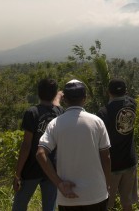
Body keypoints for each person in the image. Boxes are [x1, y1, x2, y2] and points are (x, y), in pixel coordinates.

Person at [36, 79, 111, 210]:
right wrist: (107, 183)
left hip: (67, 196)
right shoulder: (97, 122)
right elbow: (106, 157)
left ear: (64, 99)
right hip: (95, 193)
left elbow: (40, 154)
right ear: (85, 98)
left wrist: (59, 183)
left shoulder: (55, 124)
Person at [12, 78, 64, 211]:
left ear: (38, 93)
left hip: (31, 168)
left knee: (19, 205)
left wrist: (18, 174)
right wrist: (58, 96)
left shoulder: (32, 113)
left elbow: (26, 146)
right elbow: (56, 105)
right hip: (51, 168)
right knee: (49, 207)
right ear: (53, 94)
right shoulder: (59, 112)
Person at [96, 79, 138, 211]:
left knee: (105, 204)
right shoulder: (132, 104)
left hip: (111, 166)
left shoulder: (103, 113)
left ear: (108, 92)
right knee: (127, 203)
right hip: (130, 161)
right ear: (126, 91)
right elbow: (128, 98)